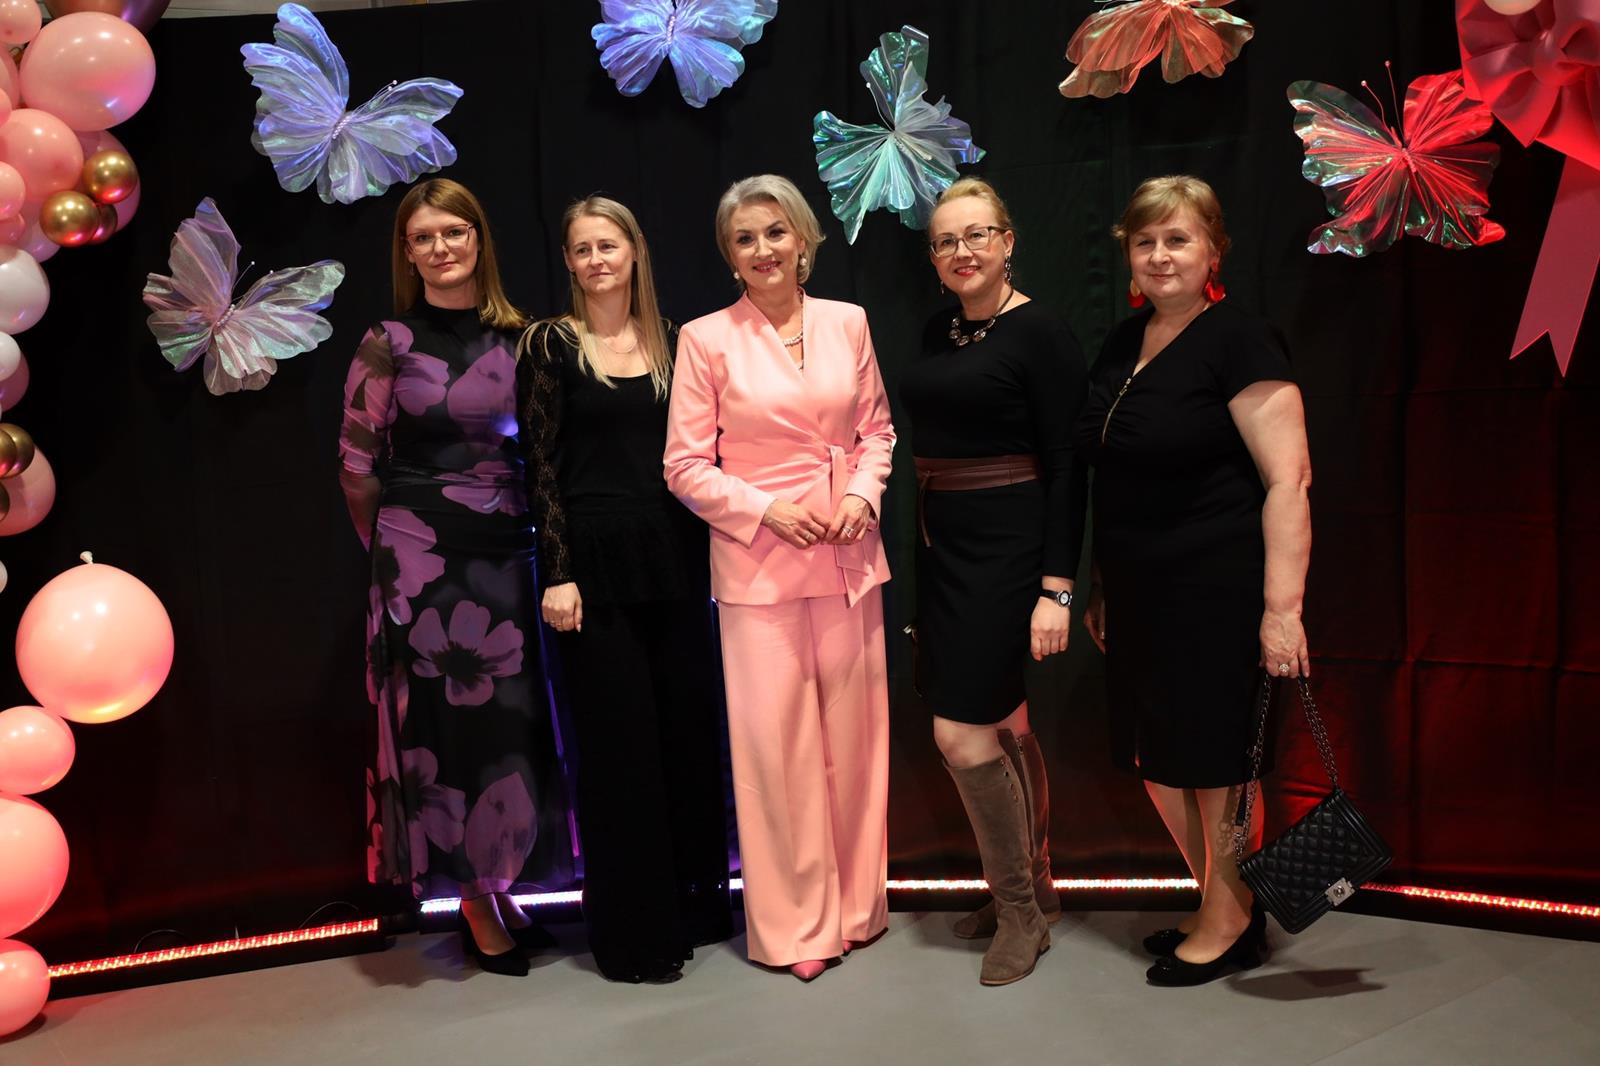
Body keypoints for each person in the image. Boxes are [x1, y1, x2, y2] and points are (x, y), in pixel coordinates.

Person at [1073, 175, 1312, 987]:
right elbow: (1113, 476)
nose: (1160, 255)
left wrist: (1282, 610)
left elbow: (1289, 480)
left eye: (1177, 239)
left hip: (1216, 588)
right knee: (1161, 757)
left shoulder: (1240, 340)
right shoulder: (1123, 341)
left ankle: (1230, 916)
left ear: (1214, 249)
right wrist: (1101, 584)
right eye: (1145, 242)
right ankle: (1224, 900)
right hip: (1139, 593)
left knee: (1217, 763)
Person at [664, 174, 895, 982]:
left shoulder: (848, 321)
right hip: (759, 567)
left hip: (848, 558)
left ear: (803, 239)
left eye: (775, 232)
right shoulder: (705, 339)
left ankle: (857, 909)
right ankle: (798, 926)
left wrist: (862, 495)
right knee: (778, 753)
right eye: (745, 239)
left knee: (855, 747)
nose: (763, 250)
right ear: (729, 256)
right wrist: (764, 509)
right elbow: (684, 465)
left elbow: (876, 432)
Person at [339, 178, 571, 978]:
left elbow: (545, 452)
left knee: (508, 728)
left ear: (478, 239)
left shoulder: (524, 336)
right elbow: (355, 464)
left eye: (453, 232)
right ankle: (472, 901)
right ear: (407, 252)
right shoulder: (389, 341)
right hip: (419, 560)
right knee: (446, 732)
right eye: (423, 237)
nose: (440, 248)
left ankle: (500, 888)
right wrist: (391, 558)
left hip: (509, 551)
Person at [518, 195, 731, 983]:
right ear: (568, 263)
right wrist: (558, 571)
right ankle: (635, 937)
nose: (597, 259)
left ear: (635, 250)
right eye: (582, 249)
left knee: (684, 737)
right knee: (618, 752)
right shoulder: (549, 344)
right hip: (592, 568)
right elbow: (540, 466)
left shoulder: (677, 341)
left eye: (608, 245)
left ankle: (692, 910)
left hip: (675, 559)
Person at [899, 177, 1088, 986]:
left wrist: (1058, 589)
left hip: (1011, 550)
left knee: (960, 734)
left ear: (1008, 241)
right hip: (943, 547)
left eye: (977, 234)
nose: (962, 251)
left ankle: (1017, 914)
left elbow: (1069, 467)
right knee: (1006, 723)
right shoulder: (938, 329)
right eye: (945, 241)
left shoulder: (1041, 332)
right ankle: (1035, 890)